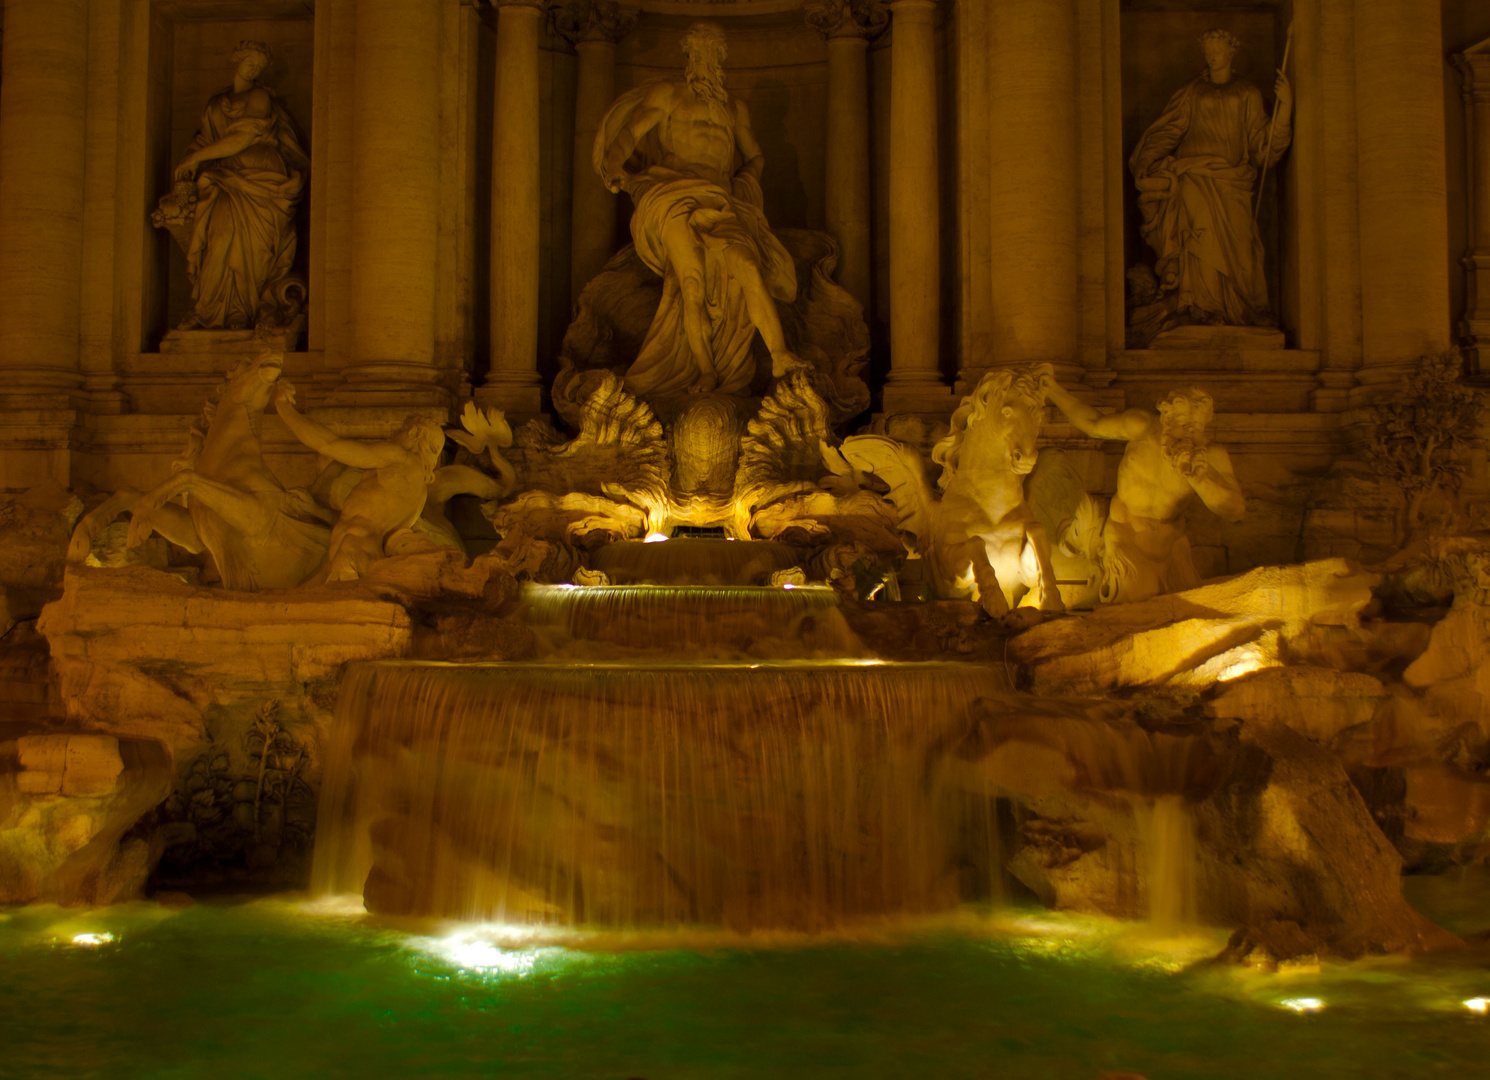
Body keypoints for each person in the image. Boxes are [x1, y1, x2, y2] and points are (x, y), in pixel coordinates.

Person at [594, 22, 804, 397]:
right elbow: (629, 133)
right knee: (690, 286)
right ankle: (706, 372)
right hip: (673, 194)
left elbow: (754, 155)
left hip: (721, 199)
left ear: (722, 59)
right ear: (688, 56)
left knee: (748, 265)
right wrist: (614, 165)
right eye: (698, 51)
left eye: (713, 52)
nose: (705, 59)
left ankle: (780, 353)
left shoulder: (733, 108)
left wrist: (745, 183)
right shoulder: (668, 94)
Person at [1129, 29, 1291, 332]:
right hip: (1193, 176)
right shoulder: (1192, 92)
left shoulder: (1248, 94)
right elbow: (1169, 130)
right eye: (1208, 52)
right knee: (1198, 239)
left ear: (1232, 53)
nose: (1213, 57)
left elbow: (1264, 148)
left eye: (1218, 51)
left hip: (1233, 182)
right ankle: (1198, 306)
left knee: (1242, 247)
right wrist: (1147, 160)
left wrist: (1286, 109)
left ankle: (1241, 308)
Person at [1042, 376, 1245, 603]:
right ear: (1166, 419)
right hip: (1126, 537)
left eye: (1196, 428)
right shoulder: (1141, 427)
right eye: (1182, 426)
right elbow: (1092, 423)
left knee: (1185, 606)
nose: (1189, 435)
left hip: (1171, 545)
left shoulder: (1209, 455)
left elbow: (1235, 510)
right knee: (1139, 601)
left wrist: (1200, 480)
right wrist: (1053, 389)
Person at [169, 41, 308, 331]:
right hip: (224, 179)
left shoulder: (260, 97)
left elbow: (241, 138)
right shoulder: (216, 103)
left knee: (254, 251)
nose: (254, 68)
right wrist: (189, 162)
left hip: (260, 177)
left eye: (258, 66)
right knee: (218, 239)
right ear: (237, 61)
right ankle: (210, 310)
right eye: (250, 62)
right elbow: (205, 140)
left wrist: (197, 157)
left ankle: (241, 313)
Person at [273, 382, 445, 582]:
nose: (393, 435)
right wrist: (316, 511)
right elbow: (365, 519)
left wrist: (284, 408)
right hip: (357, 555)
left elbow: (329, 445)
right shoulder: (418, 492)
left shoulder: (400, 458)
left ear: (414, 433)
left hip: (351, 554)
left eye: (399, 430)